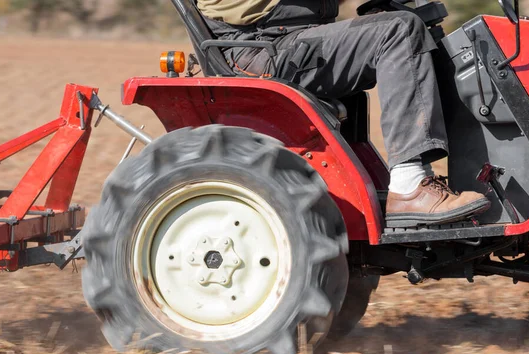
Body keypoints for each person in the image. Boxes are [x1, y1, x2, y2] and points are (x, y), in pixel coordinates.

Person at [197, 0, 490, 228]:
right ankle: (409, 185)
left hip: (289, 38)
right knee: (398, 30)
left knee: (400, 24)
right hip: (259, 48)